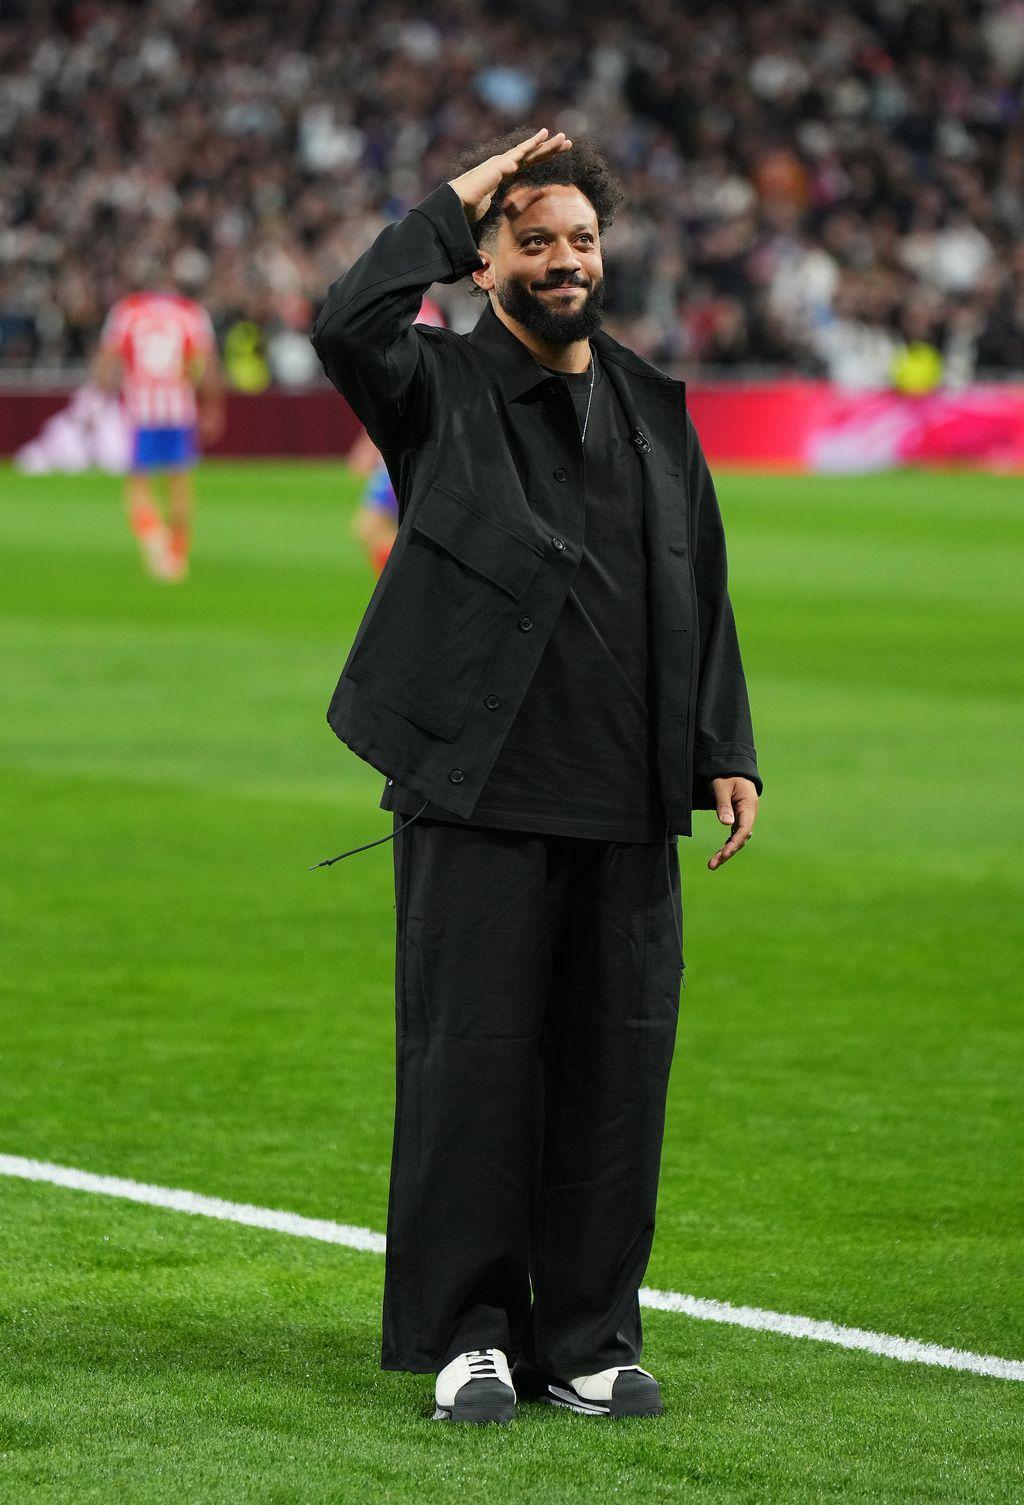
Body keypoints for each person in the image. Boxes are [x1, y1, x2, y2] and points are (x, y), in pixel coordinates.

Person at [310, 127, 762, 1424]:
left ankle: (588, 1338)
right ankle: (469, 1336)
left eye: (581, 239)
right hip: (479, 795)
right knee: (472, 1073)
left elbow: (699, 580)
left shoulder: (656, 407)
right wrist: (454, 201)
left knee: (617, 1077)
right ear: (486, 262)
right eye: (533, 240)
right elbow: (346, 321)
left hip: (625, 798)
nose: (565, 260)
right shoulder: (436, 388)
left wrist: (723, 748)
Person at [93, 279, 225, 581]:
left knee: (139, 483)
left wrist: (100, 395)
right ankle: (177, 552)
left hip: (142, 409)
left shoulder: (128, 310)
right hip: (179, 408)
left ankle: (154, 537)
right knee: (179, 482)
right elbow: (207, 363)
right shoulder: (190, 312)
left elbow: (108, 356)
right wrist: (212, 406)